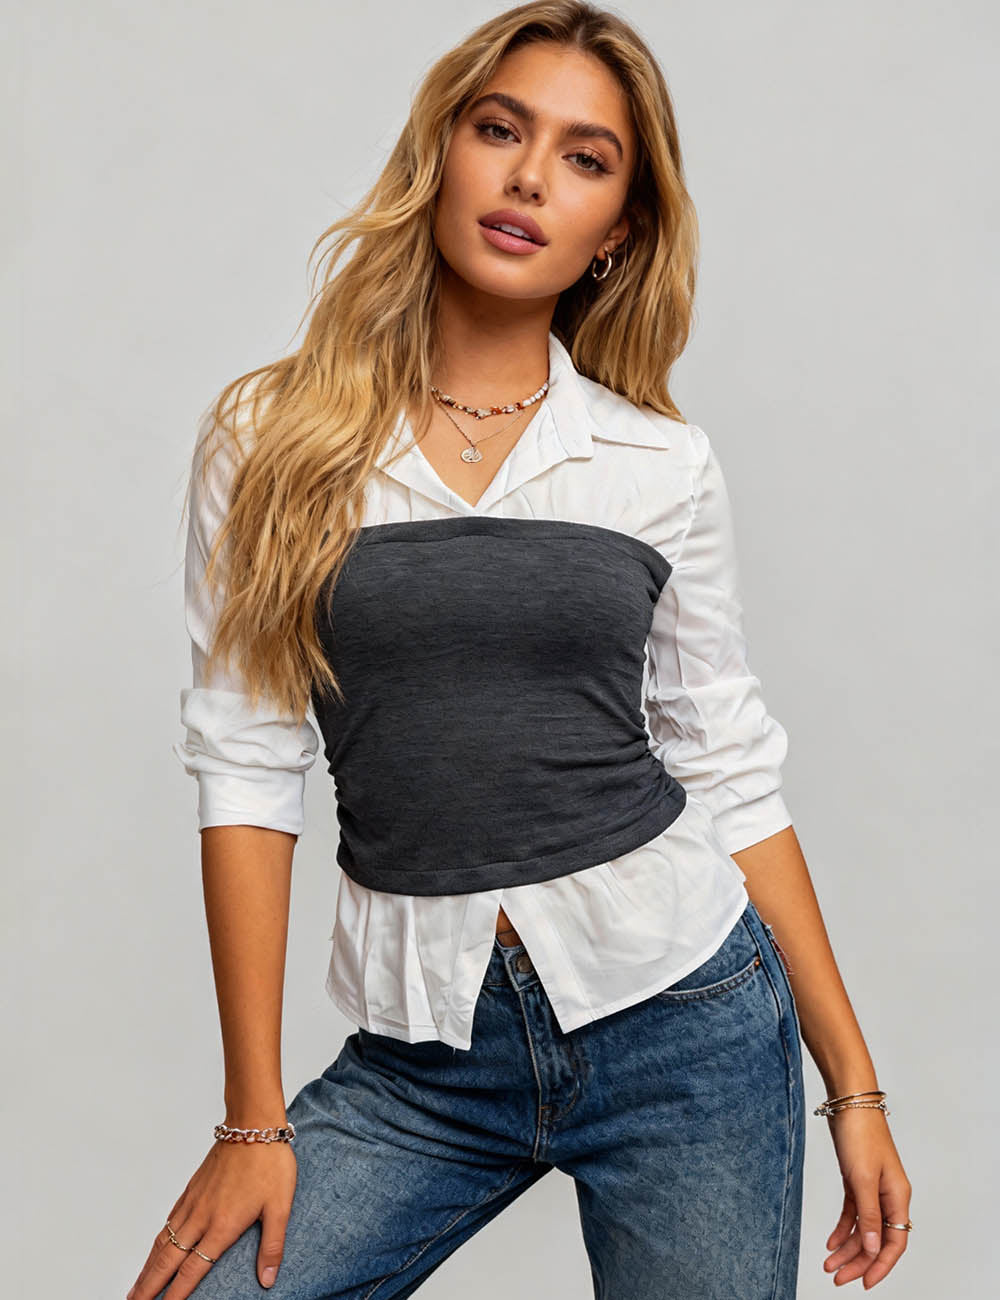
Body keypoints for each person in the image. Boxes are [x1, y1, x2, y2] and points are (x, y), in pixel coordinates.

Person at [128, 4, 913, 1298]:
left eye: (585, 158)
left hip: (687, 1028)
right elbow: (248, 768)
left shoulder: (657, 465)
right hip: (423, 1061)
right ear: (442, 153)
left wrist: (857, 1090)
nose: (532, 177)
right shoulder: (270, 439)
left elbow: (729, 771)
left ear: (618, 233)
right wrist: (252, 1121)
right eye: (501, 130)